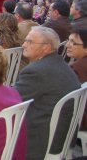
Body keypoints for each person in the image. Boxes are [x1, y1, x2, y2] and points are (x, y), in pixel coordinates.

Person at [15, 27, 81, 159]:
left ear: (46, 48)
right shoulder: (62, 66)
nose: (24, 44)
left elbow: (10, 101)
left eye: (29, 42)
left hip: (41, 140)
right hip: (62, 135)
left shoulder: (36, 71)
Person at [68, 25, 87, 130]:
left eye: (73, 43)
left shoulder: (77, 68)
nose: (67, 45)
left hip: (80, 118)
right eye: (68, 41)